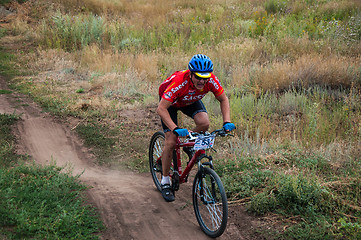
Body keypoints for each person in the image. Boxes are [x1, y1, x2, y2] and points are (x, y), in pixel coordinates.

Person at [157, 54, 236, 202]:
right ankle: (165, 181)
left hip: (190, 100)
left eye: (205, 77)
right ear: (191, 73)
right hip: (170, 104)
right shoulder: (180, 82)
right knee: (171, 141)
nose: (202, 81)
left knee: (204, 123)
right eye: (198, 77)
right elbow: (161, 109)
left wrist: (227, 121)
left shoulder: (210, 80)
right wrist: (175, 128)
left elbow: (223, 98)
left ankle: (188, 143)